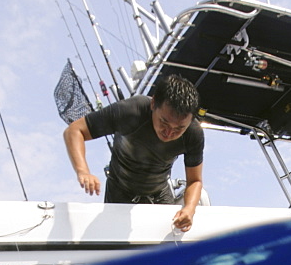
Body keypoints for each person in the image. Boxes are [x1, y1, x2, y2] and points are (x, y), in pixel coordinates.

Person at [63, 73, 204, 232]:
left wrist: (190, 209)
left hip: (159, 193)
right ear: (153, 104)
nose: (169, 133)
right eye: (164, 122)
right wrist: (83, 171)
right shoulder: (130, 111)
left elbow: (194, 181)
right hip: (119, 191)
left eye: (179, 129)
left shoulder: (193, 133)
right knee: (118, 245)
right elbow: (74, 131)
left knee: (169, 249)